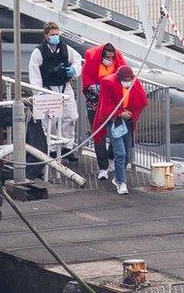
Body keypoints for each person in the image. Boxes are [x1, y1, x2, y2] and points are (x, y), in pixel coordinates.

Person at [28, 22, 82, 162]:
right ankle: (51, 149)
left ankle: (67, 146)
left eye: (57, 34)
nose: (56, 37)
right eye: (53, 35)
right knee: (49, 121)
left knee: (71, 116)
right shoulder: (38, 52)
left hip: (64, 86)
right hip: (47, 88)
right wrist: (39, 94)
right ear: (46, 35)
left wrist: (74, 70)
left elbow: (77, 60)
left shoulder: (65, 49)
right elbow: (34, 75)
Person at [93, 66, 147, 195]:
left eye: (129, 79)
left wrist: (131, 115)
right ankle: (121, 182)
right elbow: (106, 104)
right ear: (119, 78)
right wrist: (119, 113)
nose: (127, 81)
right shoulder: (108, 83)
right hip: (113, 121)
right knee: (120, 152)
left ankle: (118, 176)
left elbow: (142, 100)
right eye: (125, 79)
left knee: (127, 153)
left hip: (127, 122)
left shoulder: (134, 83)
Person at [81, 43, 127, 180]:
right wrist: (106, 89)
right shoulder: (92, 63)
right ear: (102, 56)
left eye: (111, 58)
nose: (110, 60)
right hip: (94, 106)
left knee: (116, 133)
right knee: (98, 136)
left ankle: (112, 157)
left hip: (113, 107)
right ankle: (103, 167)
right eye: (107, 57)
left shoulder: (118, 62)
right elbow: (88, 85)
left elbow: (123, 81)